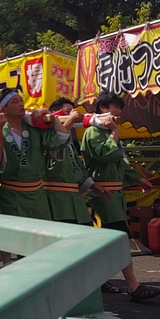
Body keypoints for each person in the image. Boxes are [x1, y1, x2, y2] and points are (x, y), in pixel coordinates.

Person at [81, 91, 160, 303]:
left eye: (119, 107)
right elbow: (108, 155)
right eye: (113, 107)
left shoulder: (105, 133)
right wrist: (115, 131)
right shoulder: (93, 133)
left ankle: (100, 278)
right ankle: (133, 286)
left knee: (109, 240)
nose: (118, 111)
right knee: (120, 237)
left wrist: (138, 179)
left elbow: (121, 163)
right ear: (101, 109)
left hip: (114, 193)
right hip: (103, 193)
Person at [45, 97, 118, 292]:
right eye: (68, 112)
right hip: (57, 199)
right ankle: (68, 286)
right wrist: (68, 121)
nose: (74, 115)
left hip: (75, 199)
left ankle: (96, 280)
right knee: (64, 246)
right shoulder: (47, 137)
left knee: (87, 241)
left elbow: (78, 169)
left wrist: (93, 186)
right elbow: (53, 150)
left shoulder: (70, 143)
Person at [0, 88, 72, 220]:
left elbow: (61, 138)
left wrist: (52, 118)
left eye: (21, 101)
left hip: (37, 196)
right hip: (11, 197)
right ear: (4, 109)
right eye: (15, 102)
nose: (21, 104)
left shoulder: (35, 130)